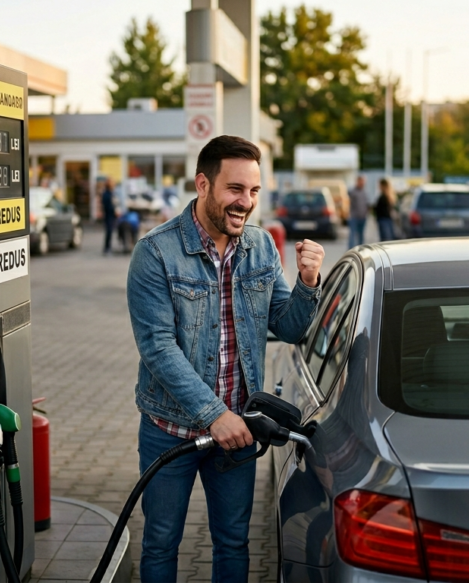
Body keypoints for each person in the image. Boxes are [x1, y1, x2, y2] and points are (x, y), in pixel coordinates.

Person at [126, 135, 324, 583]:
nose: (246, 202)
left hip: (237, 431)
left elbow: (288, 327)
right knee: (160, 543)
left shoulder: (260, 247)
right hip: (169, 429)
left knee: (233, 542)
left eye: (254, 191)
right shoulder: (156, 252)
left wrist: (308, 282)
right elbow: (157, 347)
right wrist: (215, 415)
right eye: (235, 189)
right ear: (203, 184)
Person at [347, 175, 369, 248]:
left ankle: (361, 250)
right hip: (354, 217)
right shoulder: (353, 192)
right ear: (357, 181)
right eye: (361, 181)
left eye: (363, 181)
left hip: (363, 217)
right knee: (352, 235)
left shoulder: (364, 192)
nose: (362, 183)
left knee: (361, 235)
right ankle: (350, 250)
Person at [374, 178, 396, 242]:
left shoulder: (383, 196)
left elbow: (379, 208)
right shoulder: (389, 196)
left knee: (385, 240)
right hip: (387, 219)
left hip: (383, 219)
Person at [101, 178, 119, 255]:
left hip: (110, 215)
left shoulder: (110, 193)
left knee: (110, 232)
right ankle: (107, 248)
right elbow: (108, 206)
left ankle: (108, 247)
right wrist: (114, 211)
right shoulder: (107, 194)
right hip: (109, 215)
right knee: (109, 231)